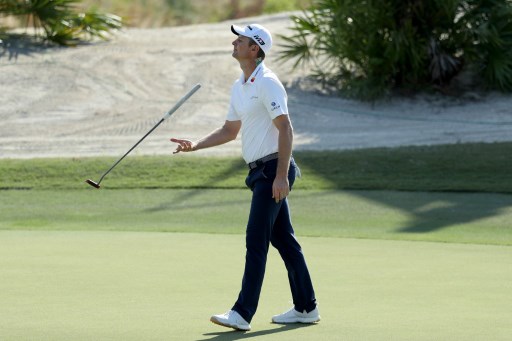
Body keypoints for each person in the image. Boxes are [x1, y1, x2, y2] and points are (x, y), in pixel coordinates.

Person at [170, 23, 320, 331]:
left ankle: (242, 312)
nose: (235, 43)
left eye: (242, 40)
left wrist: (281, 176)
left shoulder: (268, 83)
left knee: (256, 240)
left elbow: (286, 129)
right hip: (259, 173)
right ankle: (306, 307)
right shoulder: (240, 85)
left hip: (272, 171)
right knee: (284, 241)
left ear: (255, 49)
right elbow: (229, 130)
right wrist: (195, 145)